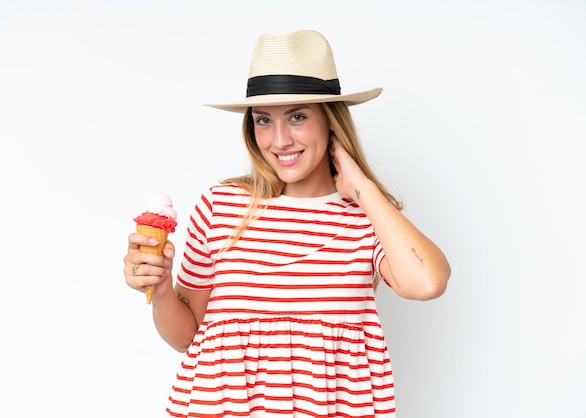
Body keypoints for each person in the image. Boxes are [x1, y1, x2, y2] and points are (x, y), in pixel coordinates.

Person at [123, 29, 450, 417]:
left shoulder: (367, 218)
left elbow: (428, 282)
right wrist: (161, 289)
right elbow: (185, 338)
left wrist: (361, 188)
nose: (279, 140)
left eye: (297, 117)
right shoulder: (221, 206)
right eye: (264, 120)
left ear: (332, 123)